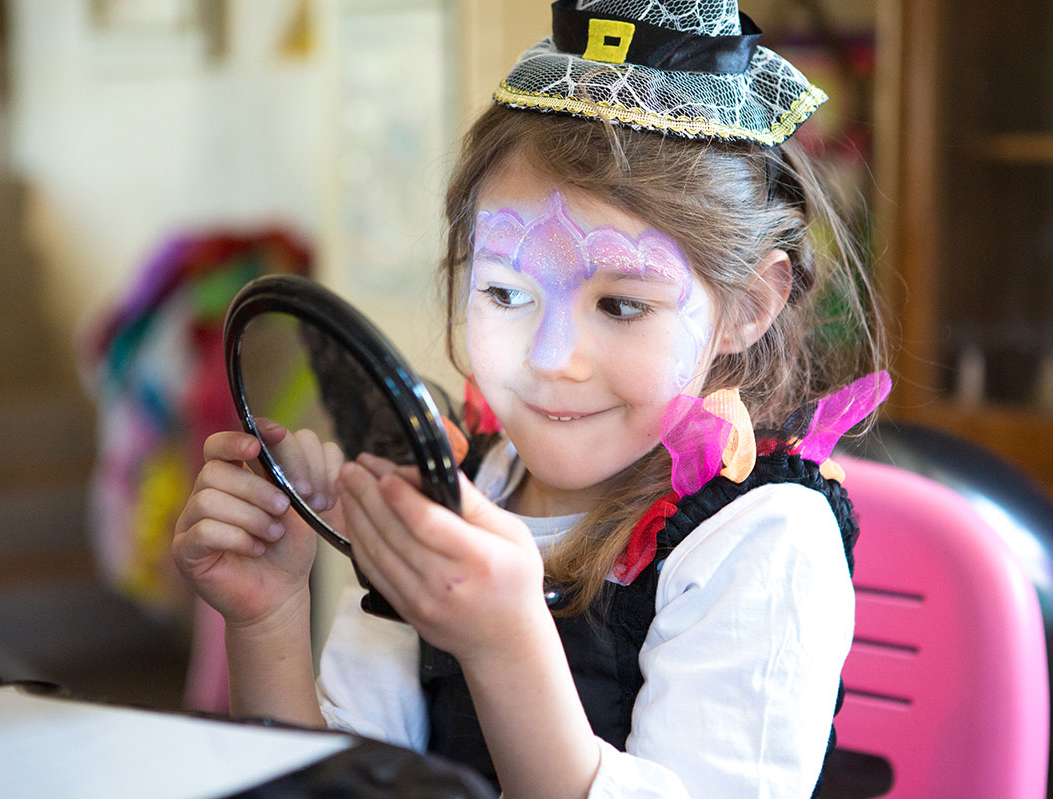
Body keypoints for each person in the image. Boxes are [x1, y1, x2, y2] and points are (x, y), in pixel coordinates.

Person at [172, 1, 889, 797]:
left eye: (621, 306)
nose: (550, 360)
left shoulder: (764, 540)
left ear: (750, 305)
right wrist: (268, 617)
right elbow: (338, 782)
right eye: (507, 292)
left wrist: (504, 644)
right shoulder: (452, 489)